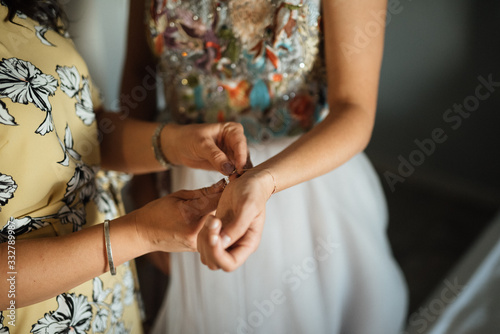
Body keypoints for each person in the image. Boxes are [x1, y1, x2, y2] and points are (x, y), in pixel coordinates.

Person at [125, 0, 410, 333]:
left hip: (303, 180)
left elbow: (353, 109)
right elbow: (137, 74)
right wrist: (141, 189)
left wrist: (262, 181)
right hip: (187, 185)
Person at [0, 1, 249, 333]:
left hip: (110, 304)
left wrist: (176, 143)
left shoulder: (20, 12)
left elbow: (85, 130)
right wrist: (140, 233)